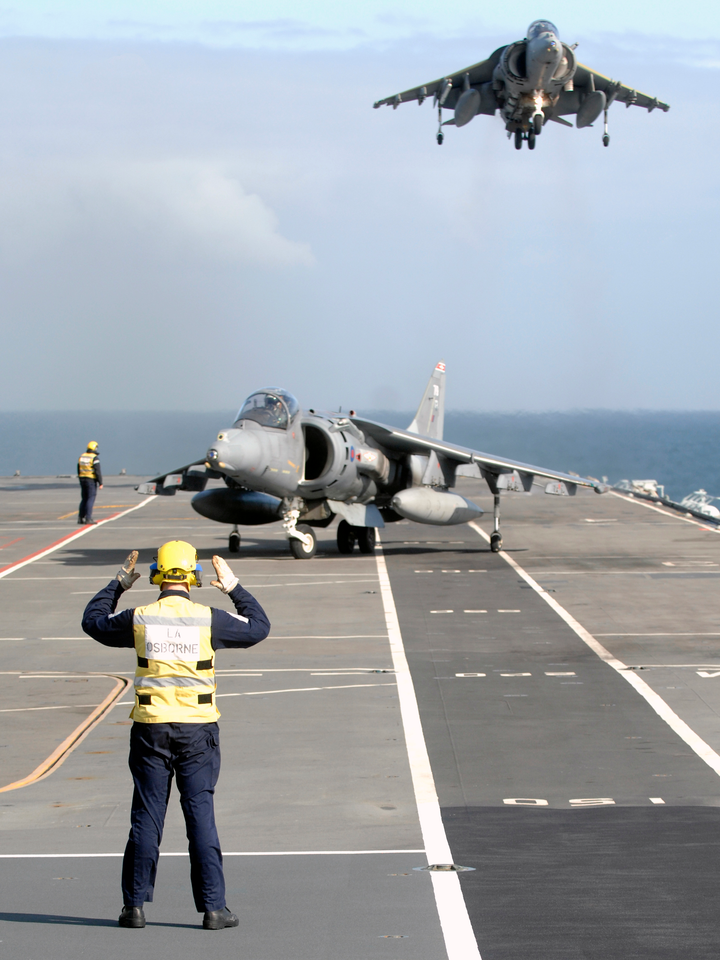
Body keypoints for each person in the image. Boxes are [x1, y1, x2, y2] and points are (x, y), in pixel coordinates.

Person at [81, 541, 270, 930]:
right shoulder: (207, 618)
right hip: (197, 731)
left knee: (147, 818)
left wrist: (118, 584)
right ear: (194, 576)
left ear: (157, 575)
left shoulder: (139, 618)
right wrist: (234, 587)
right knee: (200, 816)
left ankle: (133, 907)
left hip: (150, 729)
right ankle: (213, 909)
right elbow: (259, 628)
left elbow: (93, 622)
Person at [77, 441, 103, 524]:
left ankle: (80, 518)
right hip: (91, 480)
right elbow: (97, 471)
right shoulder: (94, 458)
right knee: (90, 498)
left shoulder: (82, 456)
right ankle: (88, 518)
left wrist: (80, 477)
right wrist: (100, 482)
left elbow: (78, 468)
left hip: (82, 479)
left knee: (84, 499)